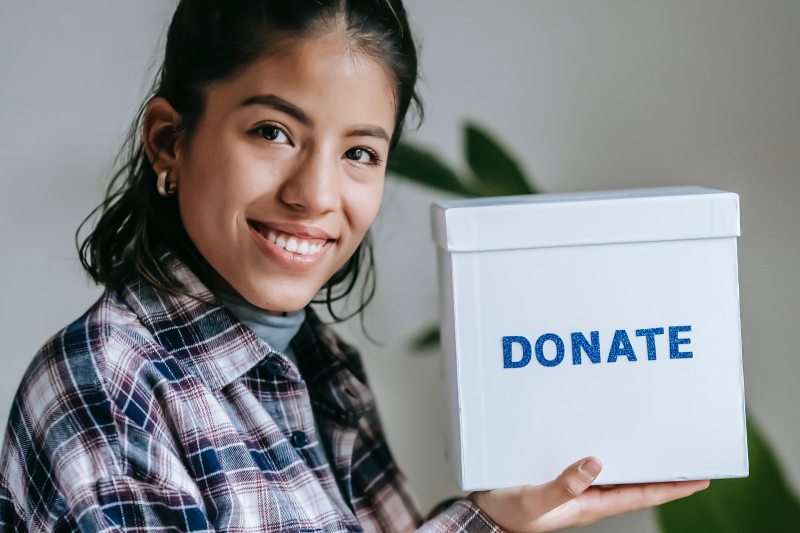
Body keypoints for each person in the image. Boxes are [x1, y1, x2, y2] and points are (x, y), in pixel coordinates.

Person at [0, 1, 709, 531]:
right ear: (168, 141)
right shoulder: (104, 389)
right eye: (272, 132)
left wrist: (505, 515)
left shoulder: (324, 366)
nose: (314, 193)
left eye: (359, 152)